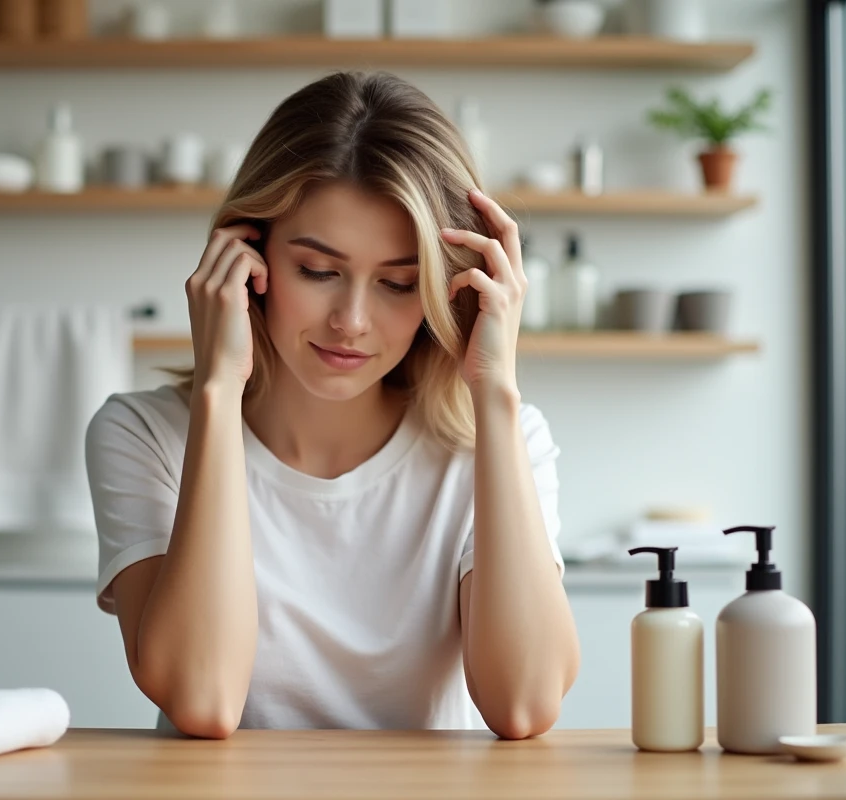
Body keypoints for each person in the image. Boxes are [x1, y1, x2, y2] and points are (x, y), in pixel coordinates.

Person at [85, 71, 580, 740]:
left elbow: (523, 704)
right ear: (245, 257)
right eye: (318, 272)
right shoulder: (145, 433)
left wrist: (493, 393)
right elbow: (201, 699)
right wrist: (217, 389)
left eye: (400, 284)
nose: (351, 321)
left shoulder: (503, 439)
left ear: (449, 289)